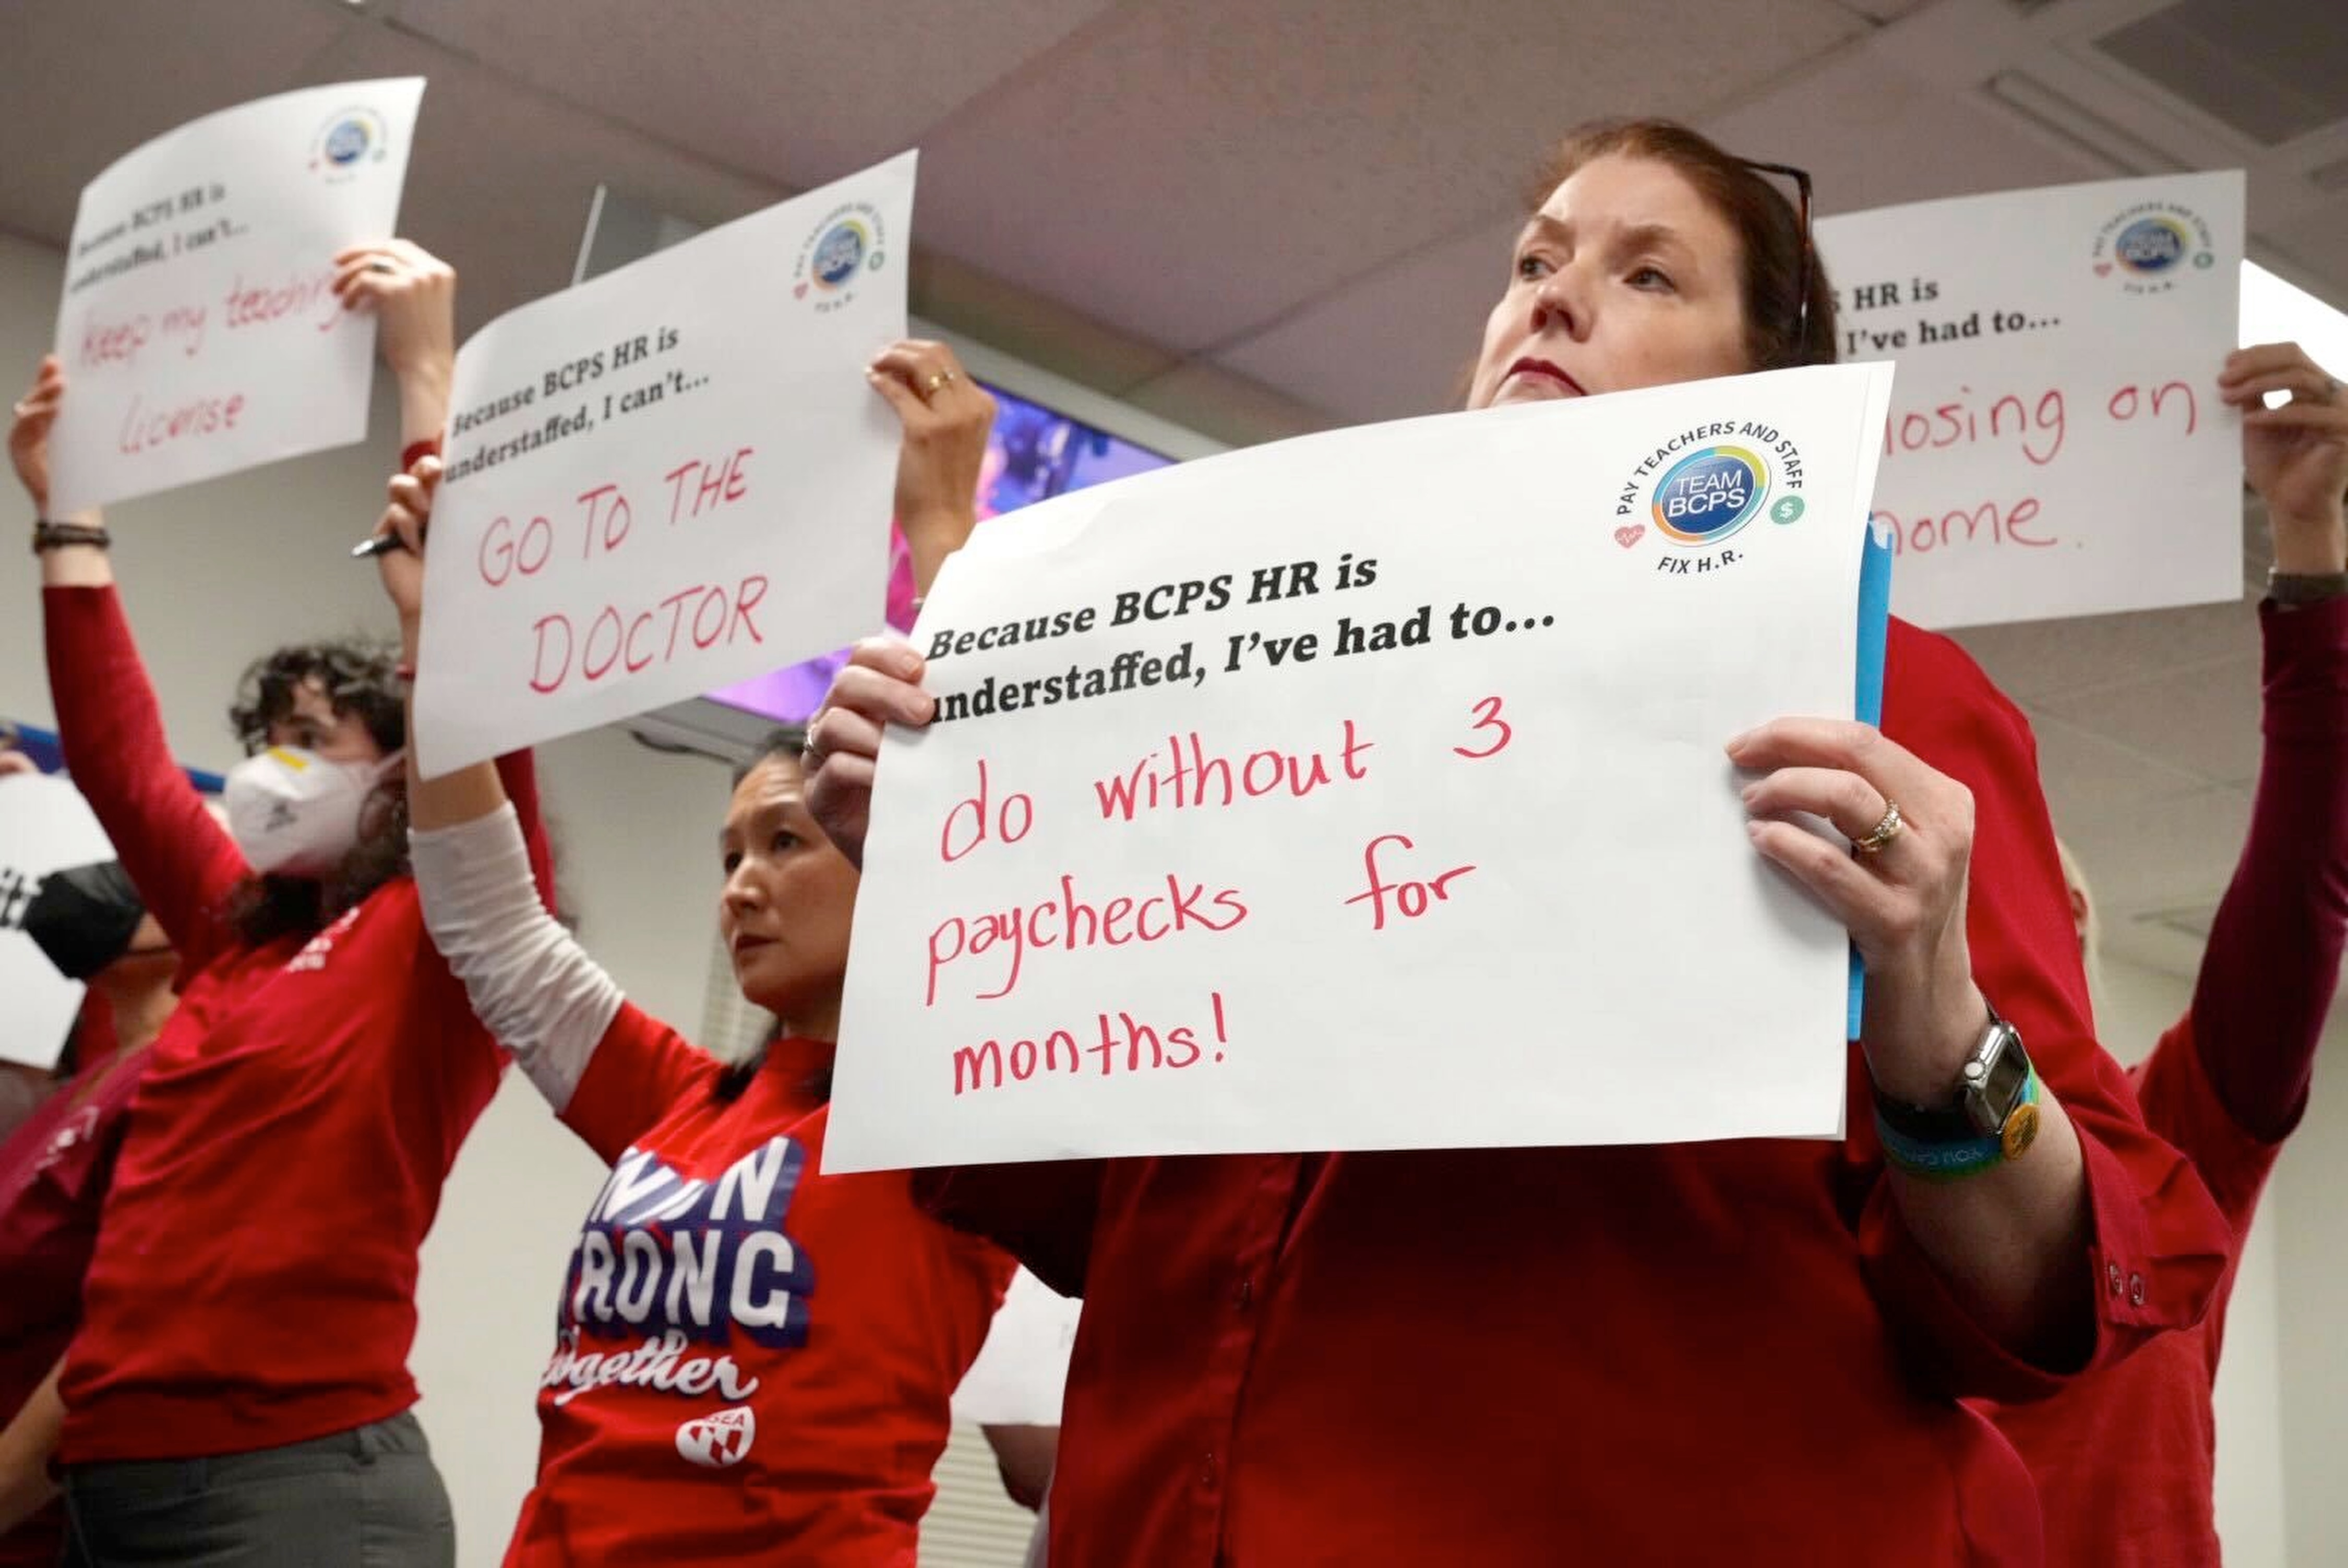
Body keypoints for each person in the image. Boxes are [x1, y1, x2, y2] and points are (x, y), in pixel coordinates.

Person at [800, 119, 2239, 1565]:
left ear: (1761, 391)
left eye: (1648, 274)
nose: (1548, 295)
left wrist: (1933, 1022)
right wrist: (931, 876)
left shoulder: (1876, 705)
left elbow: (2038, 1302)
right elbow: (1091, 1220)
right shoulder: (1254, 713)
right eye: (1533, 260)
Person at [374, 337, 1016, 1563]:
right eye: (728, 857)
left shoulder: (951, 1112)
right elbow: (491, 928)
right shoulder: (679, 1100)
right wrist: (445, 640)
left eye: (787, 841)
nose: (743, 887)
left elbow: (992, 809)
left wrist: (943, 519)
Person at [1, 239, 552, 1565]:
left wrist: (428, 376)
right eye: (266, 734)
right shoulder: (239, 937)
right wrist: (69, 516)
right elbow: (127, 765)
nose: (270, 767)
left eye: (316, 737)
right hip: (115, 1490)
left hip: (295, 1493)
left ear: (408, 767)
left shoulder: (446, 934)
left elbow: (486, 704)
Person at [1987, 342, 2348, 1566]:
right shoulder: (1834, 1171)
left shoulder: (2169, 1140)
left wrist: (2312, 557)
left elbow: (2301, 886)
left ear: (2072, 929)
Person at [0, 861, 176, 1565]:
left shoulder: (173, 1081)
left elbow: (120, 1332)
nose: (98, 886)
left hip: (39, 1520)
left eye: (142, 872)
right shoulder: (84, 1081)